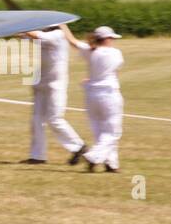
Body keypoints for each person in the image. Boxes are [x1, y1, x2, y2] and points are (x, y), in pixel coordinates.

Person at [60, 24, 125, 172]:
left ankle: (111, 164)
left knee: (99, 131)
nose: (113, 41)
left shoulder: (90, 50)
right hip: (109, 94)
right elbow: (114, 71)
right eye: (112, 38)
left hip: (91, 95)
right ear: (107, 39)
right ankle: (93, 156)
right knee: (113, 132)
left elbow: (72, 41)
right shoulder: (115, 53)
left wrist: (63, 26)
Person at [21, 26, 86, 165]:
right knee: (37, 120)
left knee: (54, 119)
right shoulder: (43, 34)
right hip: (40, 83)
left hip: (56, 84)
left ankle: (79, 146)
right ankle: (37, 156)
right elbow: (26, 36)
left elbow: (36, 35)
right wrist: (17, 29)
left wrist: (23, 26)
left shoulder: (58, 34)